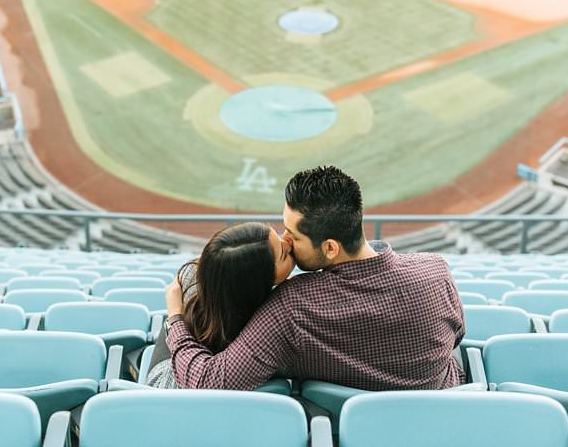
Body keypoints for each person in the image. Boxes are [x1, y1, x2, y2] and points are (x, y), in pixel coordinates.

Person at [164, 166, 464, 392]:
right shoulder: (436, 270)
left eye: (293, 235)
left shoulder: (290, 308)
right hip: (443, 423)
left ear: (330, 248)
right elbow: (456, 338)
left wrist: (176, 318)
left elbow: (207, 380)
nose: (286, 241)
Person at [142, 221, 293, 387]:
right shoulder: (191, 283)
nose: (288, 244)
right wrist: (175, 320)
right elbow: (160, 388)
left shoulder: (221, 274)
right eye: (282, 255)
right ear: (257, 282)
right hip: (169, 378)